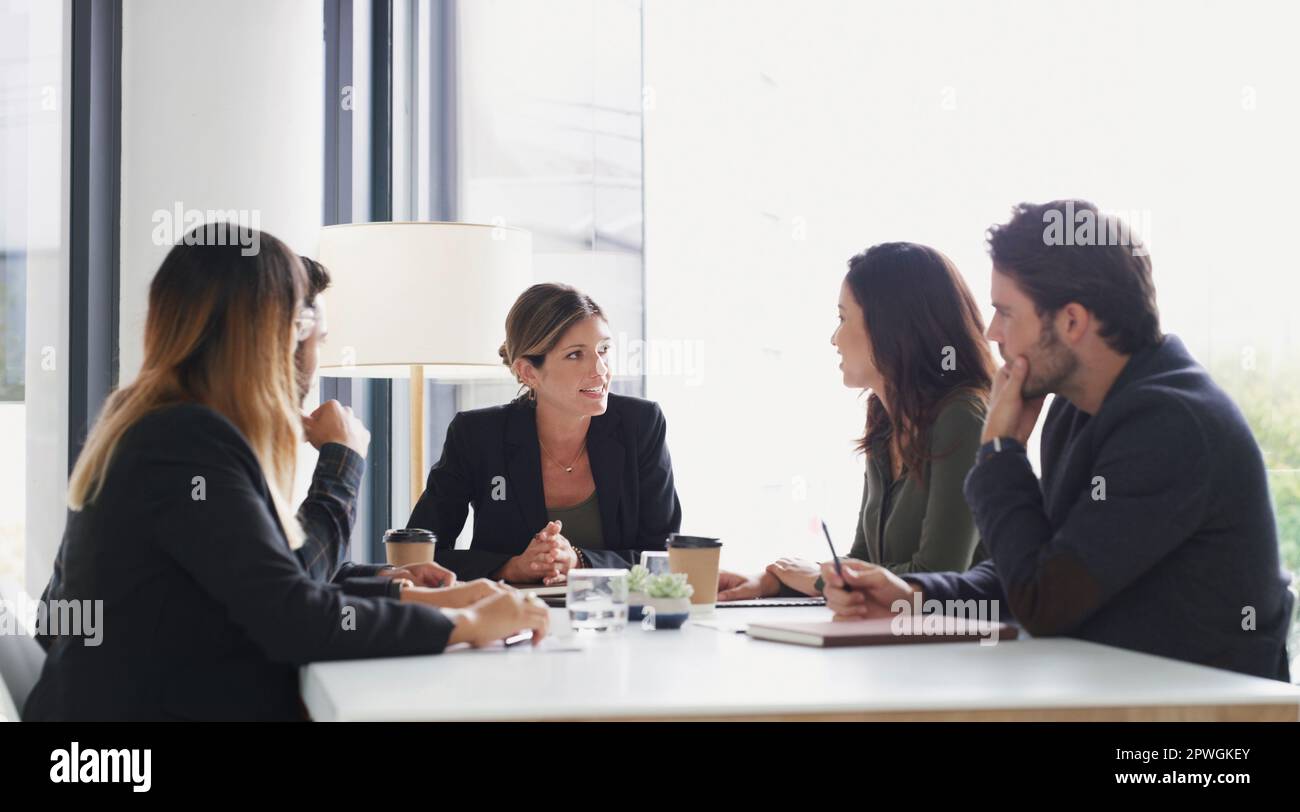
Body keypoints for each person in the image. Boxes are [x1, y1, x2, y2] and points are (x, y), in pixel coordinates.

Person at [25, 225, 548, 721]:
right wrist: (463, 624)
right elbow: (294, 619)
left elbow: (267, 584)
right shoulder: (185, 443)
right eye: (316, 337)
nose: (317, 359)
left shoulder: (159, 424)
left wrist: (416, 595)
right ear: (278, 339)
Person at [824, 200, 1294, 681]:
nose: (991, 333)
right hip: (1123, 695)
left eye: (1006, 313)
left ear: (1071, 322)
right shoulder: (1079, 409)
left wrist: (1000, 453)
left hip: (1199, 729)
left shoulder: (1170, 424)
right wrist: (912, 595)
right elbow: (1033, 570)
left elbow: (1044, 603)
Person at [718, 242, 994, 600]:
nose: (834, 339)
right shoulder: (884, 422)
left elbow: (936, 575)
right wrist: (772, 581)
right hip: (905, 641)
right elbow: (864, 560)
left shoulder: (963, 417)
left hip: (968, 646)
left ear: (892, 326)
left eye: (843, 318)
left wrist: (818, 580)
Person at [408, 282, 682, 583]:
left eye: (603, 349)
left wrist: (579, 561)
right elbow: (418, 557)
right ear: (528, 372)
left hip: (612, 620)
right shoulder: (477, 436)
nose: (601, 369)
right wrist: (509, 567)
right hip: (505, 619)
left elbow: (663, 556)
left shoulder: (640, 424)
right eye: (576, 355)